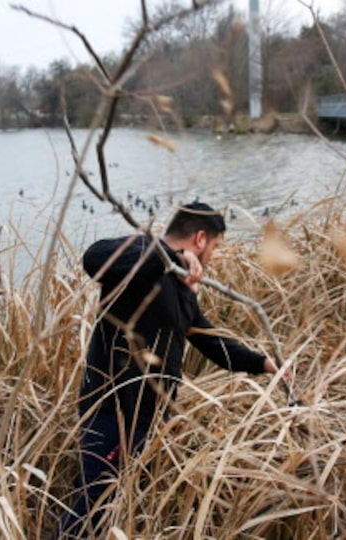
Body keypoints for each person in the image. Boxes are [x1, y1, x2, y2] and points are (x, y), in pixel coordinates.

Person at [59, 202, 285, 538]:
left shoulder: (182, 288)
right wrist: (169, 258)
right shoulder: (141, 254)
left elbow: (209, 341)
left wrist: (265, 364)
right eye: (216, 247)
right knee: (92, 508)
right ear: (199, 239)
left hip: (149, 417)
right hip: (112, 410)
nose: (215, 256)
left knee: (119, 505)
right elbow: (94, 258)